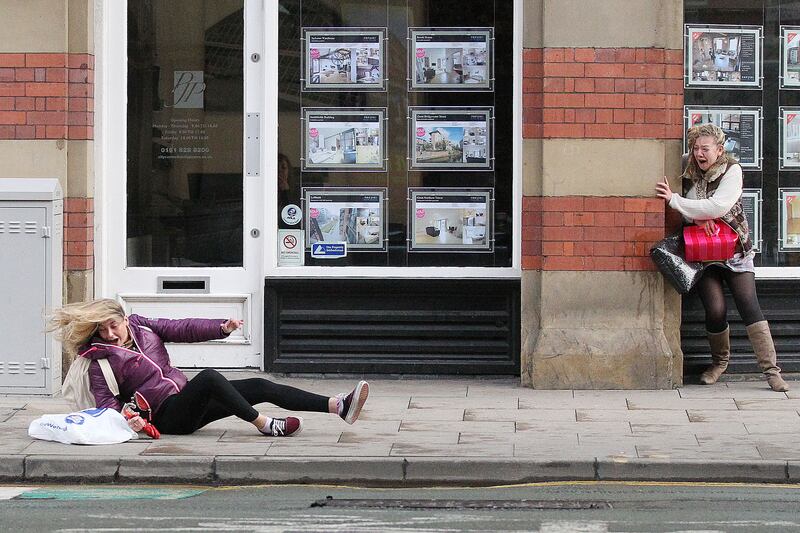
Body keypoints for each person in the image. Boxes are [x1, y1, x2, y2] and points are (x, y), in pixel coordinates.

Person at [48, 299, 370, 436]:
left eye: (113, 325)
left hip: (186, 398)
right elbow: (107, 407)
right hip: (166, 416)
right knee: (210, 378)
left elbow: (182, 328)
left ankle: (337, 406)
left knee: (259, 386)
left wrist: (221, 328)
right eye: (102, 330)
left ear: (123, 317)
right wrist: (129, 419)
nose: (110, 334)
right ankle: (264, 424)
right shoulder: (99, 361)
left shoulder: (141, 326)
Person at [655, 123, 789, 392]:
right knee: (715, 310)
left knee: (749, 305)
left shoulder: (732, 170)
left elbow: (718, 205)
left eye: (705, 149)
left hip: (734, 249)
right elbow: (692, 211)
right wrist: (695, 215)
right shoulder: (686, 166)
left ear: (719, 149)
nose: (699, 154)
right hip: (703, 252)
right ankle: (719, 363)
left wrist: (677, 201)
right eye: (695, 148)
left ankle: (772, 372)